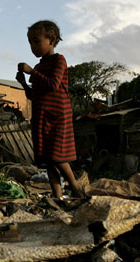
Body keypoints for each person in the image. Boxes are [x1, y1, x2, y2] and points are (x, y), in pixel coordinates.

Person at [16, 20, 84, 199]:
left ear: (52, 40)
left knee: (58, 156)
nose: (33, 46)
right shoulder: (39, 67)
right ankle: (58, 197)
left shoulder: (58, 60)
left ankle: (76, 189)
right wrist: (23, 83)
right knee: (48, 160)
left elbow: (53, 84)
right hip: (41, 117)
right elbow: (34, 95)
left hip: (57, 116)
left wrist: (31, 72)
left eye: (36, 41)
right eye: (30, 42)